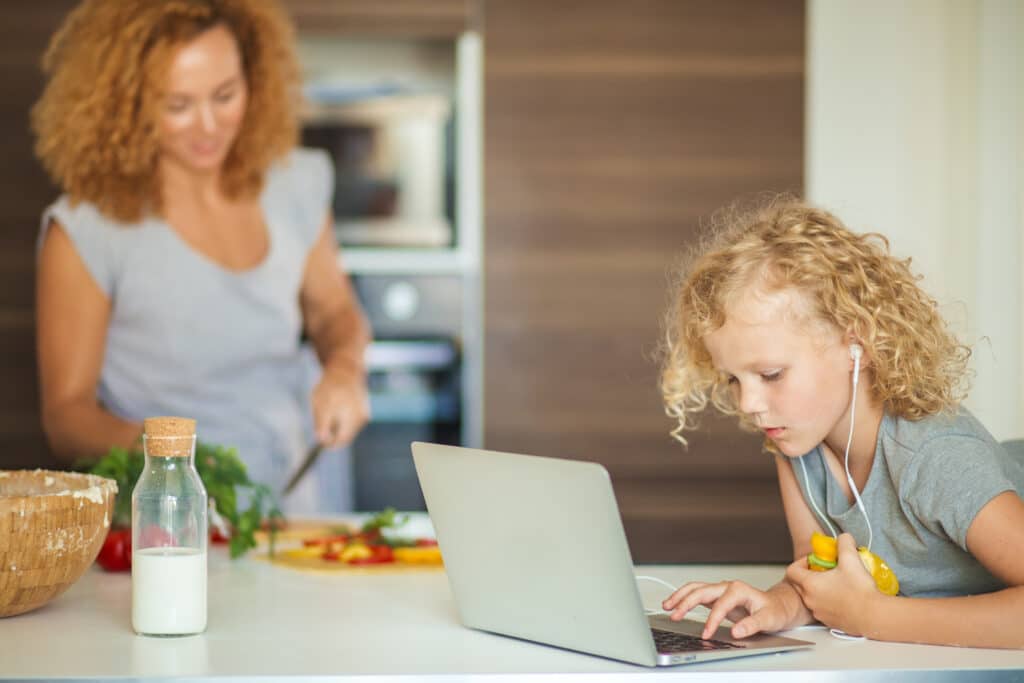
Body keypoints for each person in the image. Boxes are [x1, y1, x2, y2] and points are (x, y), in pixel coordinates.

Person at [31, 0, 371, 514]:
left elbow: (332, 311)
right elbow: (67, 416)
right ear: (127, 101)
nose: (209, 125)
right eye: (177, 105)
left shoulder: (292, 184)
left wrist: (345, 370)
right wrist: (180, 458)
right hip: (172, 513)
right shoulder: (87, 230)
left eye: (225, 95)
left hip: (299, 495)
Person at [657, 198, 1024, 648]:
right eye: (733, 379)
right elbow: (817, 574)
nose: (749, 403)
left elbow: (865, 613)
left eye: (771, 375)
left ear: (858, 345)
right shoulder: (796, 440)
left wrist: (874, 617)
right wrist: (778, 605)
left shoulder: (937, 456)